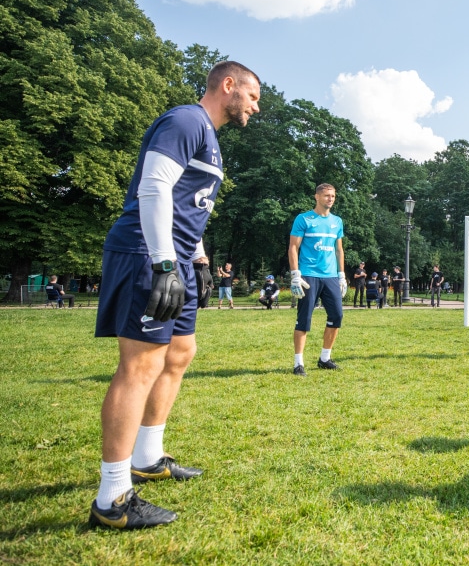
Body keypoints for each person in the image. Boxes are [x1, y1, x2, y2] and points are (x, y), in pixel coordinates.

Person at [90, 61, 260, 529]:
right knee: (141, 364)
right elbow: (154, 186)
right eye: (252, 97)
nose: (255, 107)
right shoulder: (186, 120)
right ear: (228, 86)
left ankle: (148, 456)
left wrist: (198, 259)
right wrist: (165, 261)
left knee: (180, 352)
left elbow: (190, 205)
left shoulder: (210, 138)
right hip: (147, 252)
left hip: (179, 258)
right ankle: (112, 498)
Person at [288, 183, 348, 377]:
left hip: (330, 275)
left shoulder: (337, 221)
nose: (330, 199)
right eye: (326, 195)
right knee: (304, 319)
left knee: (337, 316)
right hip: (309, 275)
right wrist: (295, 274)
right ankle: (298, 363)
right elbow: (293, 247)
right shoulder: (304, 219)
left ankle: (324, 358)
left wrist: (342, 274)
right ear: (317, 197)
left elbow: (339, 249)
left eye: (333, 196)